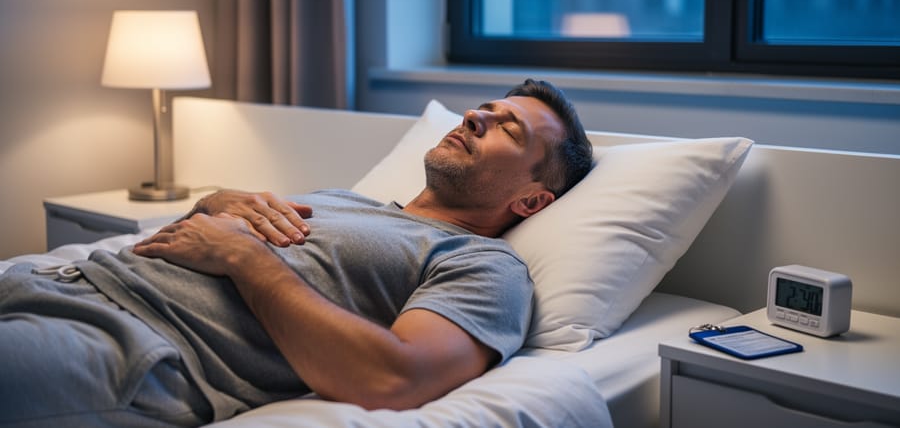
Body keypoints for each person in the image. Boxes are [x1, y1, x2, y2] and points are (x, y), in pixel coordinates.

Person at [0, 79, 593, 427]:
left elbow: (397, 377)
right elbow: (181, 246)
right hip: (54, 280)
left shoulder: (483, 265)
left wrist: (243, 257)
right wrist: (209, 206)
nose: (477, 116)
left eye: (508, 129)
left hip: (133, 347)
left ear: (532, 200)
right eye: (486, 109)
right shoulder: (340, 199)